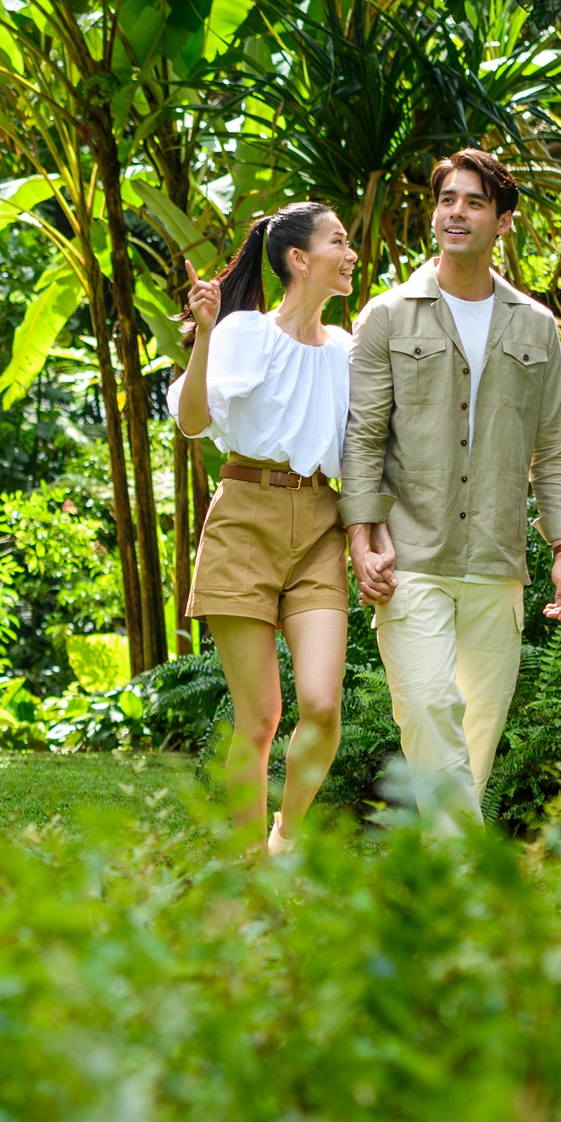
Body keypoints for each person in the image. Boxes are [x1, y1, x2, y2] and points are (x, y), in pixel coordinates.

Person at [341, 149, 561, 830]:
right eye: (447, 198)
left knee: (474, 732)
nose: (456, 212)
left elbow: (556, 444)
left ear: (502, 220)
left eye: (474, 201)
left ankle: (445, 886)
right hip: (410, 553)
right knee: (426, 704)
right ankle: (473, 874)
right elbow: (362, 435)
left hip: (496, 557)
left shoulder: (536, 326)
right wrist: (361, 536)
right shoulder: (388, 316)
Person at [172, 202, 359, 857]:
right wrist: (204, 332)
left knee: (322, 707)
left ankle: (285, 836)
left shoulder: (347, 352)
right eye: (339, 242)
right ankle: (248, 864)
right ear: (300, 259)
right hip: (243, 517)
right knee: (258, 717)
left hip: (318, 526)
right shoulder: (244, 331)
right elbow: (193, 421)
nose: (352, 253)